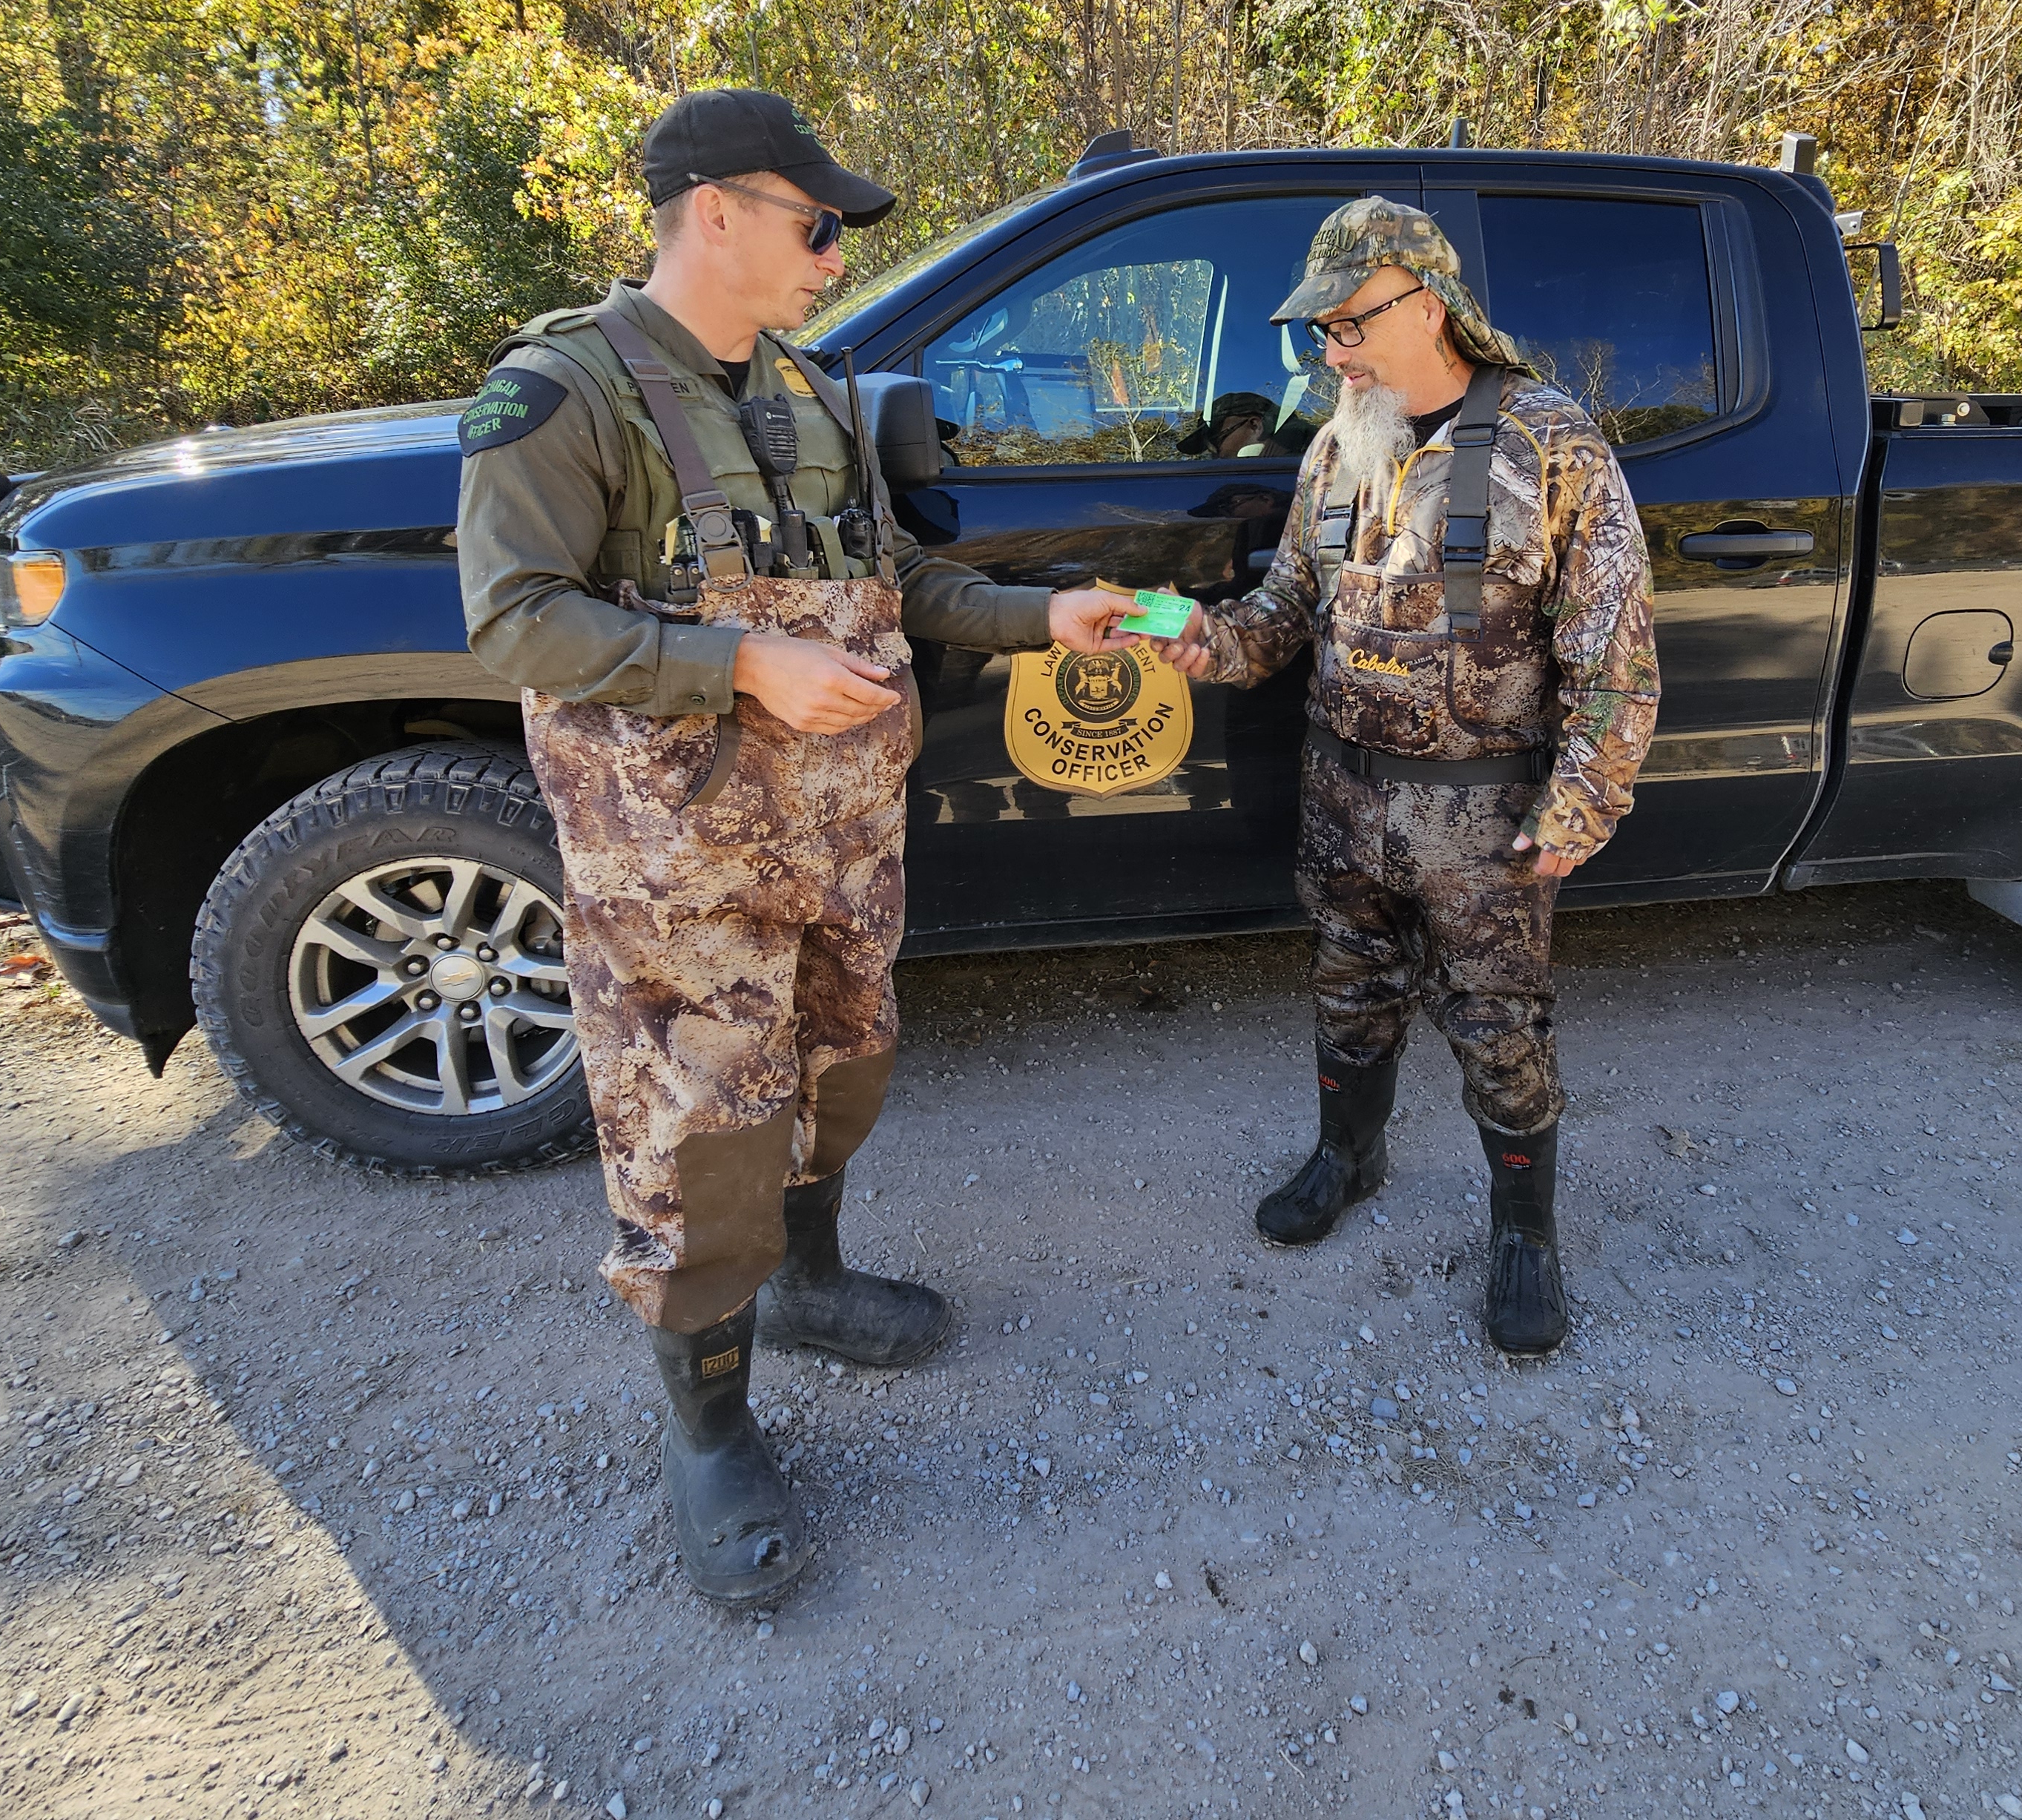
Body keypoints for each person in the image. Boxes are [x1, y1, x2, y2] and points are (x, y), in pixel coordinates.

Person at [455, 87, 1133, 1601]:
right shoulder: (564, 393)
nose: (835, 253)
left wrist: (1043, 618)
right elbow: (511, 617)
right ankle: (708, 1430)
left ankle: (810, 1285)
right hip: (676, 874)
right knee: (708, 1140)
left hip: (838, 847)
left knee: (843, 1069)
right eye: (817, 223)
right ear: (717, 210)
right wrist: (741, 667)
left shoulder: (816, 396)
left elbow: (893, 583)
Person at [1156, 198, 1657, 1356]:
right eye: (1320, 332)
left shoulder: (1553, 446)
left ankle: (1525, 1234)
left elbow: (1617, 660)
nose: (1329, 354)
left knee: (1498, 1025)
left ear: (1424, 306)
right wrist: (1204, 640)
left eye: (1346, 326)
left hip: (1482, 816)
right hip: (1342, 797)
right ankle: (1348, 1157)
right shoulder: (1341, 444)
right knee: (1348, 988)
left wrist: (1581, 804)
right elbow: (1284, 614)